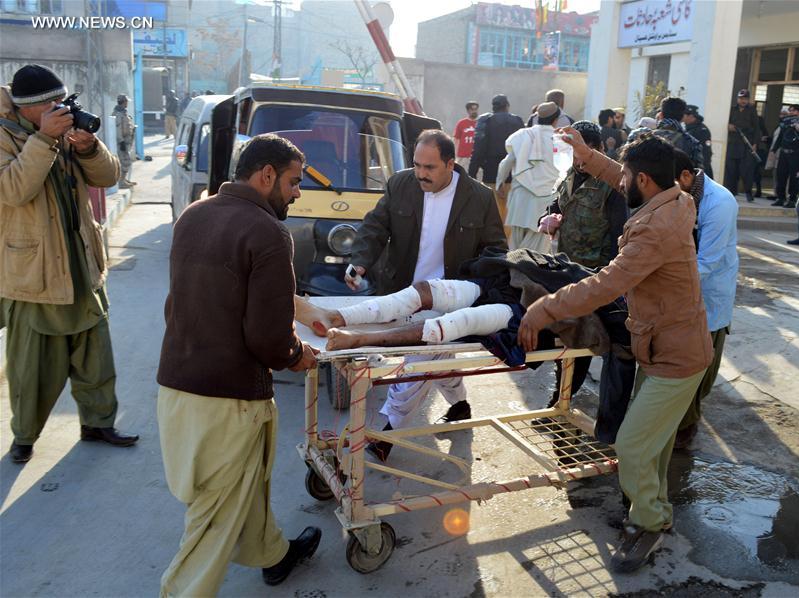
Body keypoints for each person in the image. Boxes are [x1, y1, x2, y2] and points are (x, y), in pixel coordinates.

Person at [518, 132, 712, 573]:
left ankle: (649, 522)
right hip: (662, 344)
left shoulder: (655, 229)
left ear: (643, 179)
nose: (620, 180)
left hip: (676, 357)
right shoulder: (675, 197)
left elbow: (604, 285)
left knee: (631, 444)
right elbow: (623, 176)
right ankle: (656, 511)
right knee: (654, 446)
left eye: (626, 174)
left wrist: (542, 309)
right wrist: (588, 158)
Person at [156, 134, 321, 595]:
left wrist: (302, 311)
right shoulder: (268, 232)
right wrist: (297, 356)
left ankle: (274, 554)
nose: (297, 192)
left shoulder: (194, 215)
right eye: (293, 181)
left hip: (176, 386)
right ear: (266, 175)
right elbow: (267, 337)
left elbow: (212, 294)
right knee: (212, 520)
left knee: (243, 484)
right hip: (228, 400)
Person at [0, 64, 138, 464]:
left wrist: (87, 147)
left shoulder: (61, 134)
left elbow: (107, 176)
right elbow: (12, 190)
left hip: (80, 262)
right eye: (52, 104)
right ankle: (24, 437)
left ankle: (97, 422)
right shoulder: (7, 136)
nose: (60, 109)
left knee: (95, 355)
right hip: (33, 272)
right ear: (31, 109)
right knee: (31, 367)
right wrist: (44, 140)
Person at [348, 129, 507, 461]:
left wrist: (475, 290)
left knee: (421, 357)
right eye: (417, 165)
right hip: (405, 291)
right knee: (439, 356)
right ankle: (460, 405)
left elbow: (495, 249)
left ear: (451, 164)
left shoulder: (479, 196)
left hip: (449, 297)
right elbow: (375, 226)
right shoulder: (400, 185)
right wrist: (360, 263)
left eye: (430, 167)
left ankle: (387, 430)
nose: (421, 173)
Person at [538, 120, 628, 410]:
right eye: (572, 154)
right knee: (568, 335)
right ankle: (561, 395)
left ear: (598, 150)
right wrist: (549, 216)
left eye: (582, 153)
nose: (577, 160)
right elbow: (559, 202)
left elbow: (620, 235)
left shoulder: (612, 185)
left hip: (597, 277)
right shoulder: (570, 173)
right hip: (566, 269)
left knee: (590, 338)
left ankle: (571, 401)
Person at [672, 150, 739, 448]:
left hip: (709, 292)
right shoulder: (679, 193)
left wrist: (663, 286)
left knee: (699, 366)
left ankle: (686, 428)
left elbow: (707, 263)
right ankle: (680, 421)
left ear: (686, 176)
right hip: (681, 289)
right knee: (680, 363)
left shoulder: (720, 203)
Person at [497, 102, 559, 252]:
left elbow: (507, 162)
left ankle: (514, 273)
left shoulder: (522, 135)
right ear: (556, 119)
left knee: (515, 246)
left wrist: (500, 184)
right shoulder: (561, 139)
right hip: (546, 201)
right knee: (538, 251)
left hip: (520, 198)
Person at [469, 94, 524, 223]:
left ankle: (496, 242)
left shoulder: (485, 120)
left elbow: (478, 150)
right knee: (510, 216)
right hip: (514, 175)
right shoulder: (518, 121)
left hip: (491, 173)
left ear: (493, 107)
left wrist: (471, 175)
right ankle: (508, 243)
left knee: (492, 215)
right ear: (507, 106)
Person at [724, 89, 761, 203]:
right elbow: (725, 123)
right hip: (732, 144)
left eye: (745, 98)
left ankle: (748, 193)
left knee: (746, 171)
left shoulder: (752, 111)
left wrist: (755, 143)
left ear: (748, 99)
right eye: (741, 98)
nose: (743, 100)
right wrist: (729, 126)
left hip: (746, 144)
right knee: (731, 170)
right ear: (737, 99)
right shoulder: (731, 109)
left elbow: (757, 128)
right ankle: (731, 193)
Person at [771, 104, 799, 208]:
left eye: (793, 111)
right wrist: (774, 149)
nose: (791, 113)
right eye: (790, 111)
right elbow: (780, 137)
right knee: (781, 175)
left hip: (796, 153)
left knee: (794, 177)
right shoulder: (785, 122)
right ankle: (780, 198)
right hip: (784, 153)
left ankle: (792, 199)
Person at [651, 96, 704, 169]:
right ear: (682, 117)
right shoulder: (693, 143)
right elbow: (698, 175)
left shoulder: (641, 137)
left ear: (661, 115)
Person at [683, 104, 713, 179]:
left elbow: (706, 153)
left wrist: (700, 172)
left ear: (691, 116)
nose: (682, 116)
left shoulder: (702, 130)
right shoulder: (687, 129)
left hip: (700, 171)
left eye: (684, 114)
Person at [113, 93, 136, 189]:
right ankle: (121, 182)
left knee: (125, 161)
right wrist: (121, 141)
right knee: (125, 162)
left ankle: (123, 179)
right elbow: (118, 129)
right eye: (126, 101)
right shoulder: (118, 114)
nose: (127, 103)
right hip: (121, 142)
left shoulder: (123, 112)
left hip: (126, 141)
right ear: (123, 102)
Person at [453, 100, 479, 172]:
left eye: (476, 109)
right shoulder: (461, 123)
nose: (474, 111)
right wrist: (454, 155)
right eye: (472, 109)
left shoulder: (480, 123)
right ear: (468, 110)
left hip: (476, 157)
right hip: (463, 157)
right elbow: (456, 139)